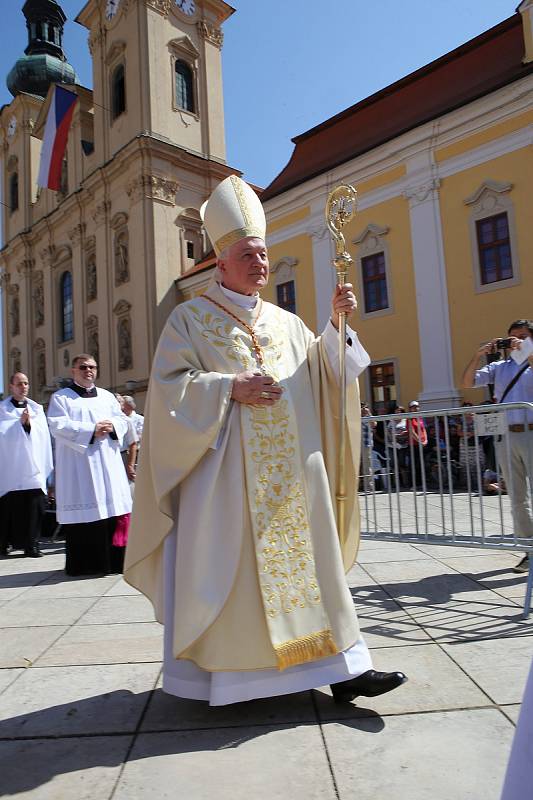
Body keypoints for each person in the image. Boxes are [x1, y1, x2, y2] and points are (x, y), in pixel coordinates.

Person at [125, 175, 406, 706]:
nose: (261, 263)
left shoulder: (286, 322)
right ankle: (230, 679)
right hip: (226, 482)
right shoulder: (189, 320)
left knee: (314, 570)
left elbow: (327, 377)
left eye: (264, 253)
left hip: (293, 482)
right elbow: (167, 393)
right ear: (222, 260)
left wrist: (336, 325)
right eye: (249, 254)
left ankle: (346, 669)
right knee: (237, 582)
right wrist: (231, 388)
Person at [47, 355, 133, 576]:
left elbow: (123, 420)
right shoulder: (61, 398)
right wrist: (90, 430)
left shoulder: (106, 396)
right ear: (73, 371)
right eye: (83, 367)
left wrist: (111, 424)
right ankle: (86, 565)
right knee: (86, 514)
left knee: (111, 511)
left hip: (108, 462)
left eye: (92, 367)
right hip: (80, 467)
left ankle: (115, 563)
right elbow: (57, 425)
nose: (88, 371)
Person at [462, 319, 533, 572]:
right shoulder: (499, 367)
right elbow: (467, 382)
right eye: (513, 337)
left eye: (523, 336)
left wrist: (527, 352)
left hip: (531, 433)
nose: (517, 341)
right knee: (517, 498)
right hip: (507, 436)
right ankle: (529, 550)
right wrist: (478, 355)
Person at [0, 372, 53, 558]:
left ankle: (32, 545)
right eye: (20, 384)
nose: (24, 387)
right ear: (11, 386)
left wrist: (28, 425)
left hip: (33, 469)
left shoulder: (36, 409)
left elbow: (42, 436)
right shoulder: (2, 410)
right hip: (11, 469)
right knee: (8, 509)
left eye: (26, 383)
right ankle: (4, 544)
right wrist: (18, 425)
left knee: (34, 508)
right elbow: (3, 435)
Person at [407, 400, 427, 487]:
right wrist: (420, 441)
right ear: (410, 409)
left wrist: (425, 440)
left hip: (422, 444)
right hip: (414, 445)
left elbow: (424, 429)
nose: (416, 408)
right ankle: (413, 483)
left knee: (421, 464)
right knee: (414, 464)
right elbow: (412, 432)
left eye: (417, 406)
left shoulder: (420, 417)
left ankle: (421, 483)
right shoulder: (410, 418)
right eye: (414, 407)